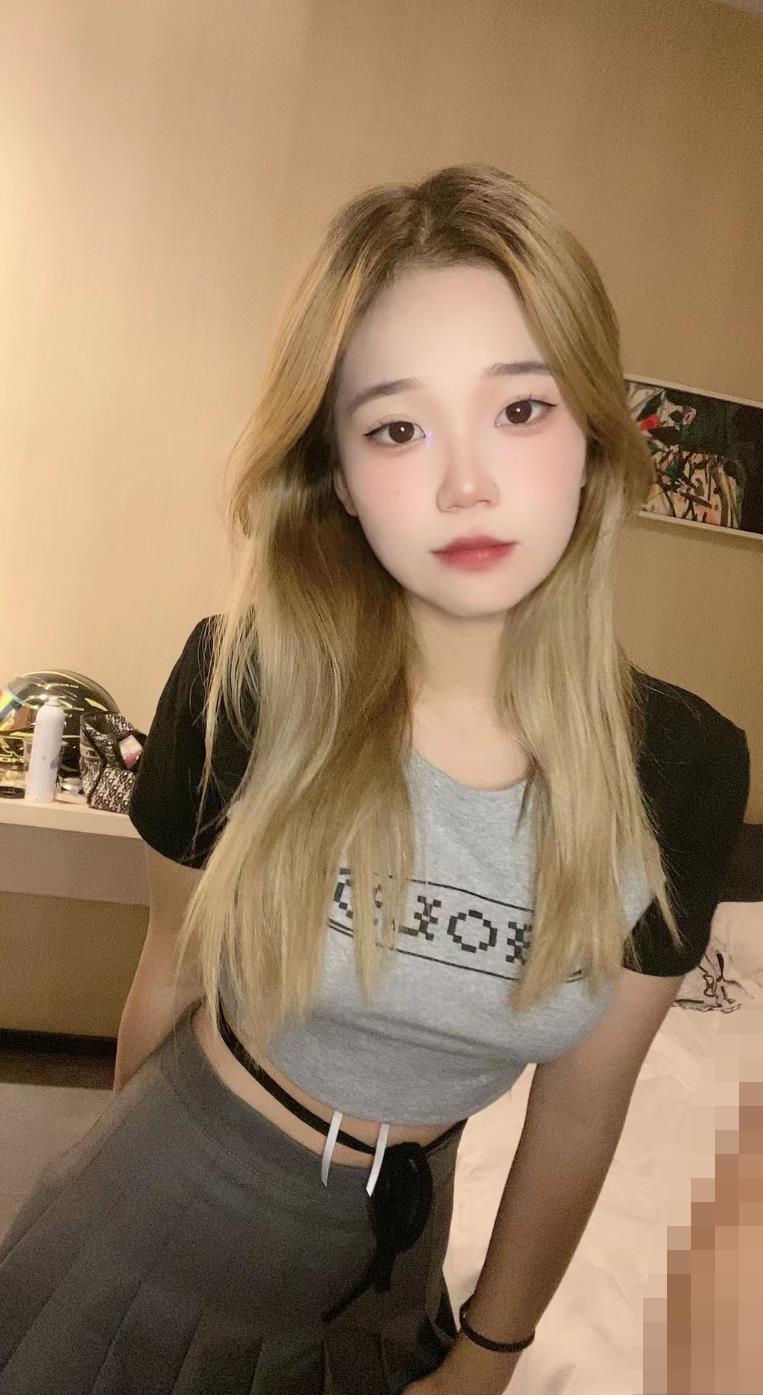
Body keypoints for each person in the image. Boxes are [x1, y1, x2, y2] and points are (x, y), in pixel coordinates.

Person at [0, 164, 750, 1395]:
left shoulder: (682, 768)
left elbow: (581, 1105)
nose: (466, 483)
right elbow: (171, 975)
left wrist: (490, 1352)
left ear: (590, 438)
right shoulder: (243, 683)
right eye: (399, 428)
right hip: (180, 1184)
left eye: (520, 409)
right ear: (339, 476)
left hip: (404, 1241)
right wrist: (116, 1221)